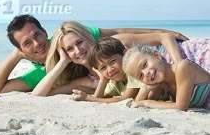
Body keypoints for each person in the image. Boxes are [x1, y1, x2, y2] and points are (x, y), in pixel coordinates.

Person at [0, 14, 188, 95]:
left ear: (45, 32)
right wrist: (14, 56)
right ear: (21, 49)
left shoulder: (74, 37)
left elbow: (118, 32)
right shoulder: (46, 72)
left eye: (38, 34)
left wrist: (168, 33)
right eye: (27, 43)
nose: (37, 43)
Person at [32, 21, 185, 96]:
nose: (78, 51)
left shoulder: (116, 44)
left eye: (80, 42)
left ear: (88, 37)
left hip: (180, 57)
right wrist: (62, 62)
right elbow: (37, 95)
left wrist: (179, 66)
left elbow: (163, 37)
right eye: (69, 49)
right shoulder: (86, 80)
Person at [122, 45, 210, 111]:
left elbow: (181, 107)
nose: (146, 73)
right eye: (141, 75)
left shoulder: (183, 67)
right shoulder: (161, 84)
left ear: (157, 55)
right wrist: (145, 89)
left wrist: (146, 103)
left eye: (145, 64)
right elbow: (137, 104)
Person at [72, 37, 140, 103]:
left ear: (125, 54)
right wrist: (103, 80)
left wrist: (87, 98)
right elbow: (98, 98)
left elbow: (124, 99)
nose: (110, 70)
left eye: (113, 61)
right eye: (103, 68)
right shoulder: (115, 81)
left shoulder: (133, 72)